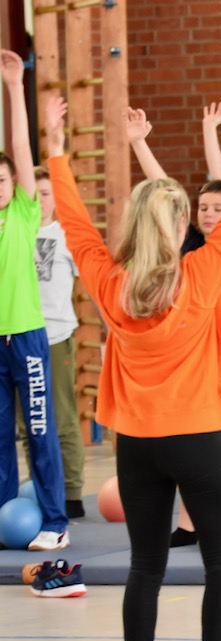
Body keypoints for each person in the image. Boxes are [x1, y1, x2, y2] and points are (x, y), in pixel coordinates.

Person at [47, 87, 221, 641]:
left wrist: (57, 153)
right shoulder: (198, 276)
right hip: (196, 438)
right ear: (177, 227)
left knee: (146, 565)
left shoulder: (109, 282)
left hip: (137, 446)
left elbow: (76, 226)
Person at [124, 98, 221, 549]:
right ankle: (189, 525)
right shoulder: (189, 246)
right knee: (197, 444)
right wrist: (140, 144)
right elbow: (163, 194)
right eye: (204, 208)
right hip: (194, 360)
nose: (210, 214)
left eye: (218, 208)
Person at [0, 49, 68, 551]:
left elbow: (21, 148)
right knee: (0, 438)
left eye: (2, 179)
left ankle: (55, 522)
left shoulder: (24, 214)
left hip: (26, 336)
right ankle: (5, 519)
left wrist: (12, 87)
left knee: (40, 432)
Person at [20, 166, 87, 519]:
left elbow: (90, 279)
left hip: (56, 337)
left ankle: (72, 491)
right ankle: (39, 486)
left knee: (61, 416)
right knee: (27, 423)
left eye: (47, 194)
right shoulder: (15, 229)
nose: (41, 200)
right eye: (36, 194)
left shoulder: (65, 236)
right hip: (20, 337)